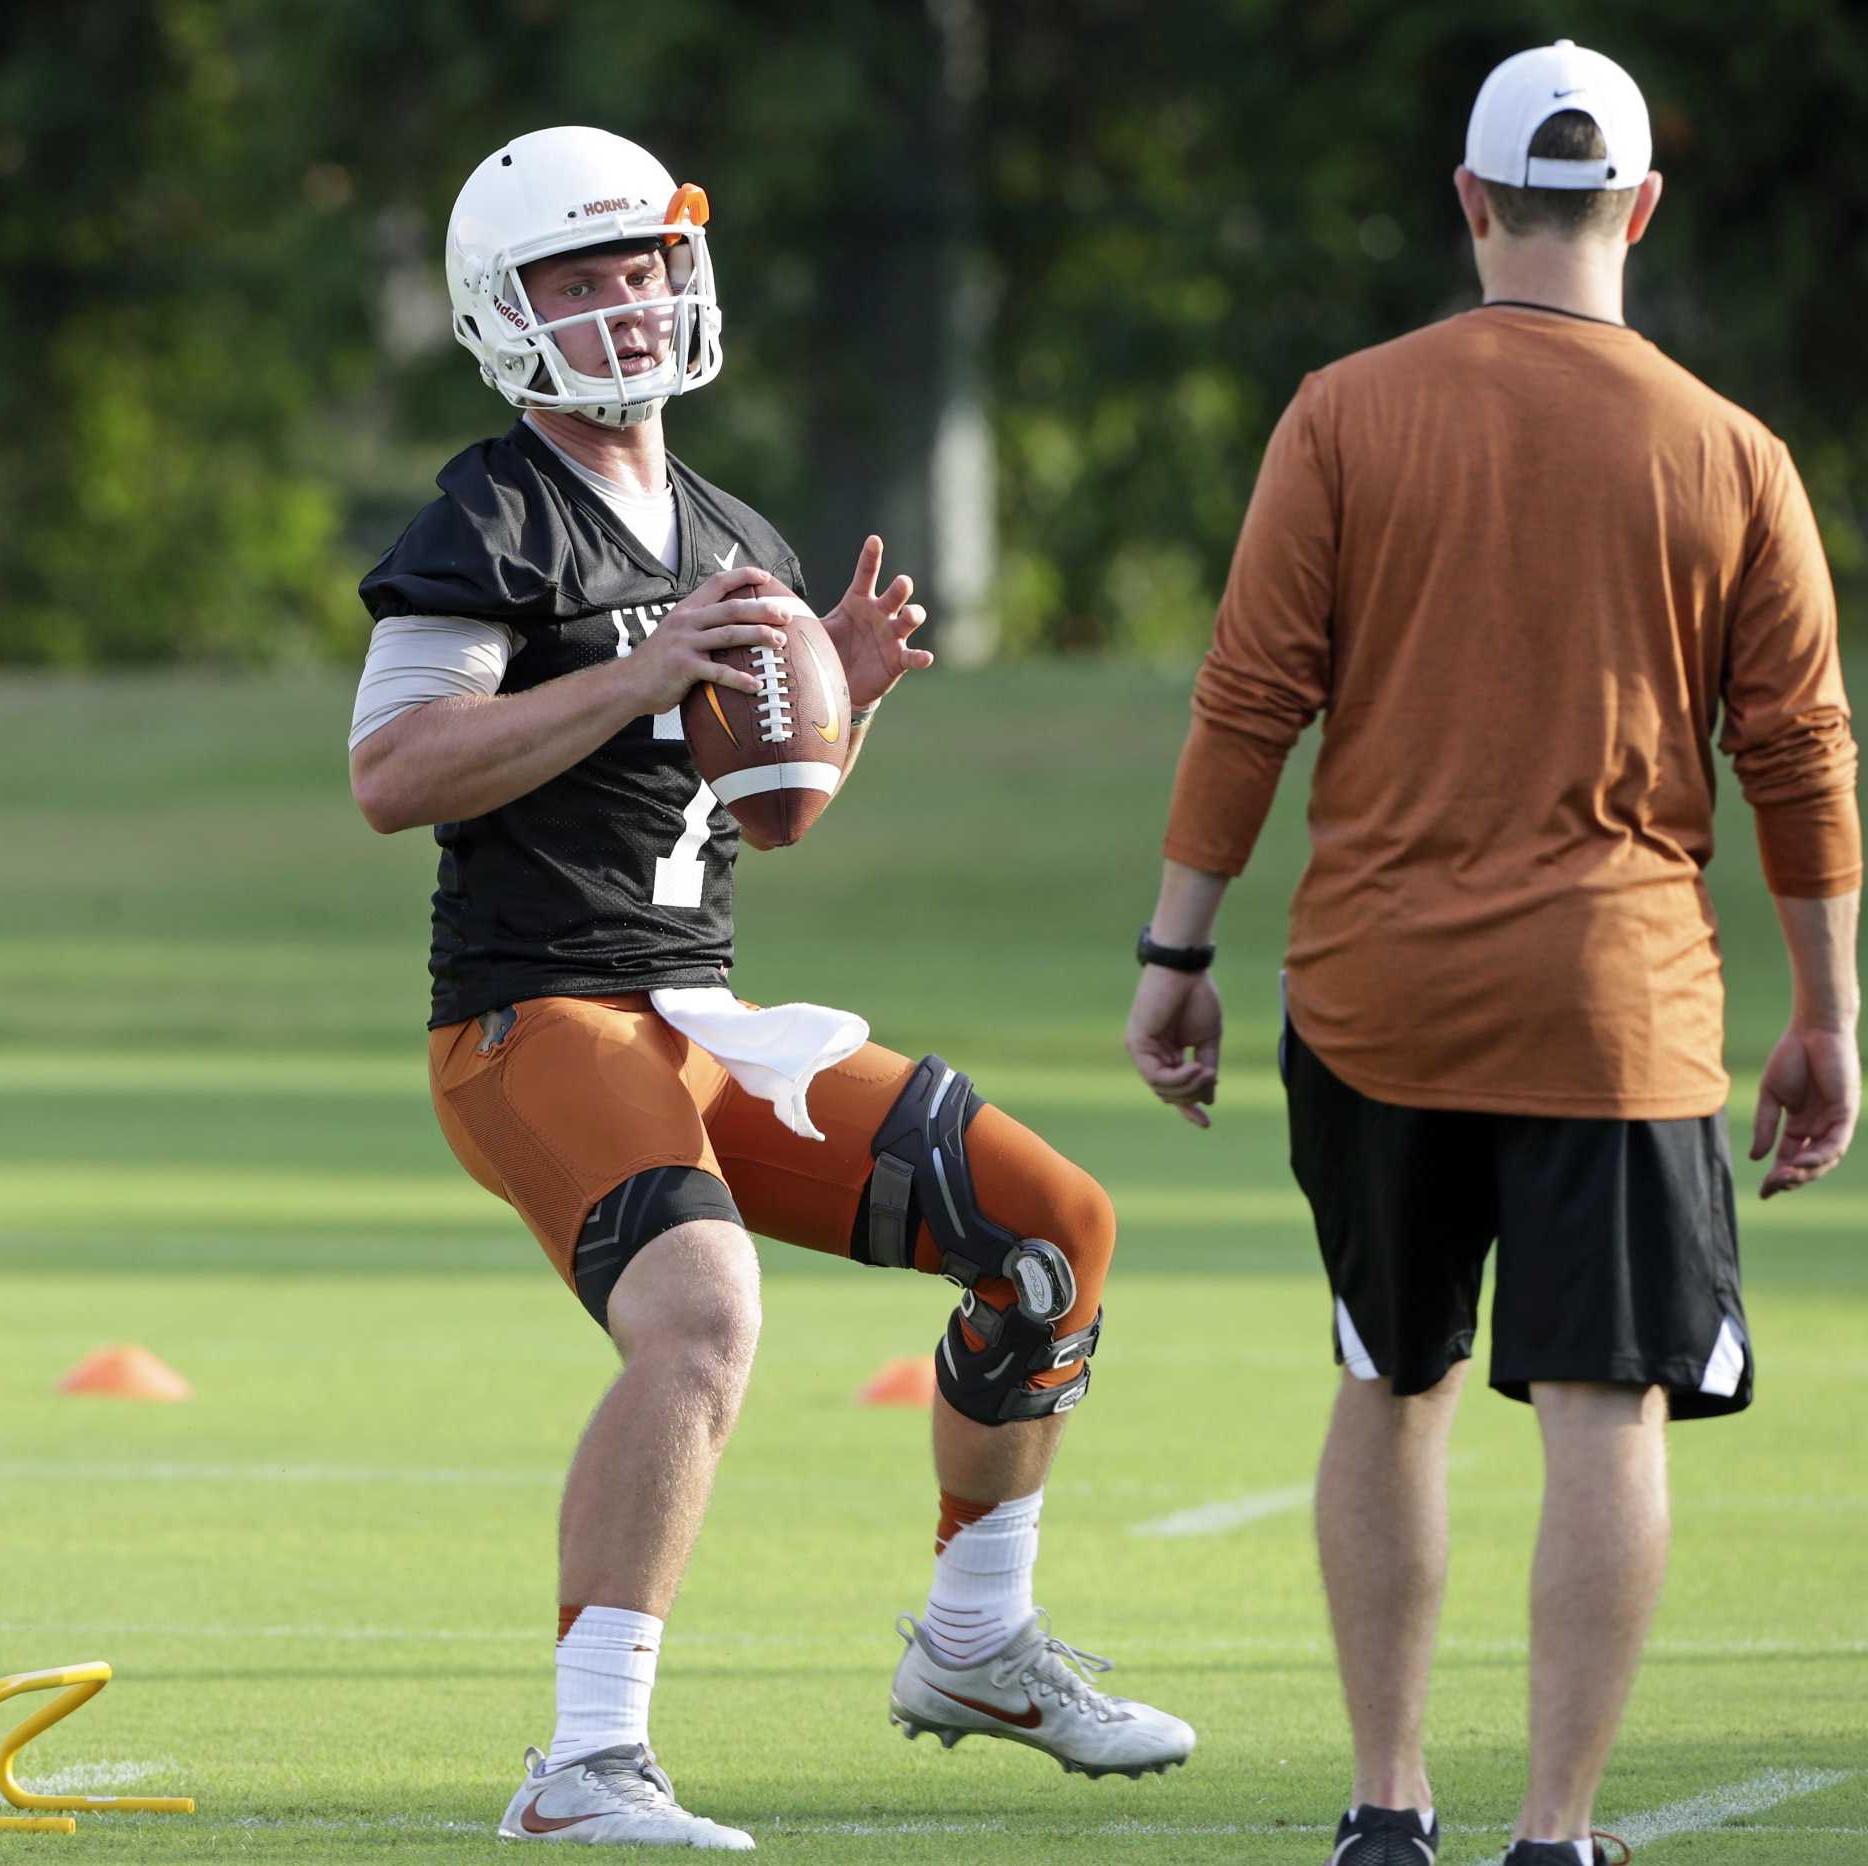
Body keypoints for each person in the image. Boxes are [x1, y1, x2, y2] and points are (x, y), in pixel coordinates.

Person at [349, 126, 1194, 1849]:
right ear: (504, 314)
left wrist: (844, 700)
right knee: (704, 1311)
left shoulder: (731, 523)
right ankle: (585, 1766)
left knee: (1051, 1229)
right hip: (537, 1017)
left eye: (647, 262)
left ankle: (976, 1644)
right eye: (581, 277)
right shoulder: (491, 512)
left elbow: (765, 821)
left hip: (702, 1012)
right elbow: (393, 766)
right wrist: (645, 668)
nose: (630, 301)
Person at [1124, 40, 1859, 1866]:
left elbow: (1248, 699)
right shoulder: (1734, 453)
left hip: (1374, 993)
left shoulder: (1344, 412)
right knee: (1606, 1402)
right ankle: (1559, 1831)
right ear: (1642, 204)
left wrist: (1176, 948)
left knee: (1391, 1372)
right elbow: (1802, 753)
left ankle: (1387, 1805)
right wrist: (1830, 1014)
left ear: (1469, 201)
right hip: (1621, 1008)